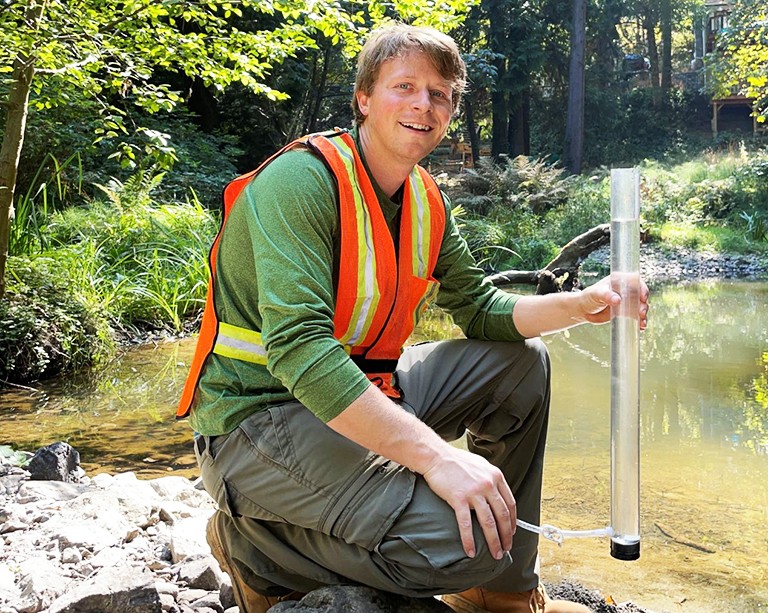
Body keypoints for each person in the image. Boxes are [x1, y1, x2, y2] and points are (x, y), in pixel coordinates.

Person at [177, 23, 649, 613]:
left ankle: (501, 591)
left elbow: (480, 308)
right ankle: (258, 549)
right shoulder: (301, 183)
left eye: (441, 93)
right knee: (471, 544)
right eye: (405, 86)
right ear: (364, 98)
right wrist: (439, 457)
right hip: (258, 421)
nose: (424, 104)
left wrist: (582, 306)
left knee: (520, 364)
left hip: (366, 396)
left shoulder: (425, 199)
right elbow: (300, 351)